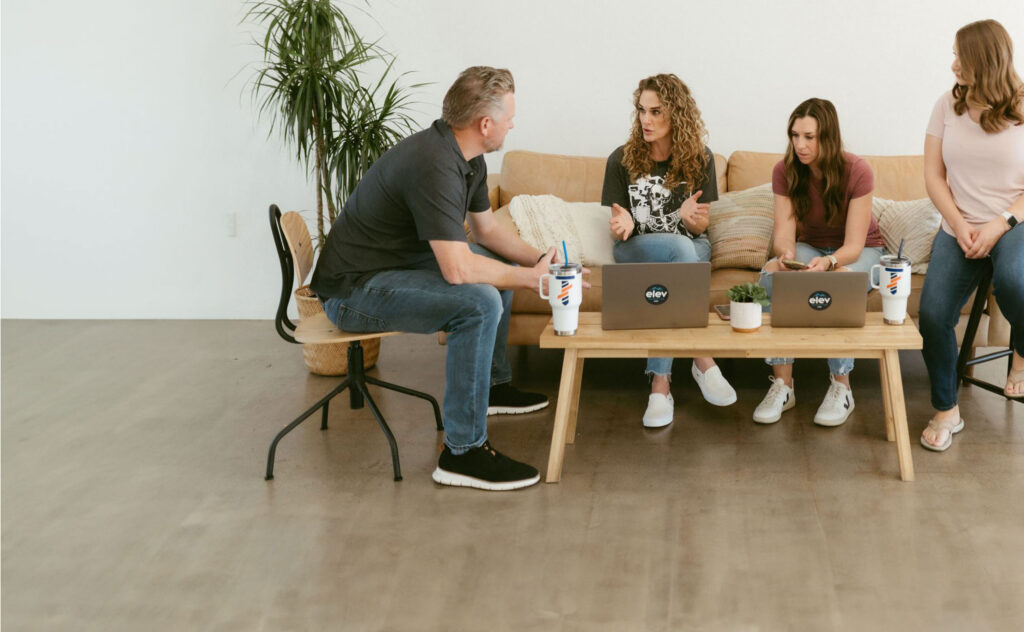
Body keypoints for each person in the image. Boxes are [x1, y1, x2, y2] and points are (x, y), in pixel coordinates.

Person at [312, 66, 577, 491]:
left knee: (488, 262)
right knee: (480, 300)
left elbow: (487, 232)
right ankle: (462, 452)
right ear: (485, 124)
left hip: (395, 267)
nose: (513, 124)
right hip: (353, 290)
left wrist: (543, 260)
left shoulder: (466, 157)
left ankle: (493, 387)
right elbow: (456, 269)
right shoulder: (434, 164)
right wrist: (529, 280)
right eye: (509, 116)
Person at [601, 73, 737, 428]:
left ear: (676, 114)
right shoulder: (622, 159)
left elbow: (700, 228)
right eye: (642, 110)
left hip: (691, 247)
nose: (646, 119)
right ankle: (702, 358)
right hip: (637, 250)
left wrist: (693, 221)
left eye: (656, 111)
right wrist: (625, 224)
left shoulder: (699, 158)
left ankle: (660, 386)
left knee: (680, 259)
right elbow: (619, 225)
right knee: (680, 251)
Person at [919, 19, 1024, 451]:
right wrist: (960, 226)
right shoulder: (947, 105)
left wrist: (1001, 223)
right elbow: (932, 174)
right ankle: (947, 409)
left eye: (961, 56)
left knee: (1017, 283)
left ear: (984, 61)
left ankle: (1021, 352)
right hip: (958, 225)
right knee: (932, 314)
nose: (954, 64)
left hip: (1013, 222)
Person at [755, 98, 886, 426]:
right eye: (794, 135)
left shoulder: (857, 170)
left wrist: (829, 264)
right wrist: (786, 258)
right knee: (771, 275)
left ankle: (842, 386)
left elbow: (854, 247)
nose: (799, 145)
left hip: (861, 250)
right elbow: (784, 236)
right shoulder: (784, 170)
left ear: (828, 136)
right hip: (811, 246)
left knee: (839, 280)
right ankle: (783, 384)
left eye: (808, 137)